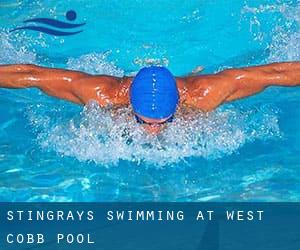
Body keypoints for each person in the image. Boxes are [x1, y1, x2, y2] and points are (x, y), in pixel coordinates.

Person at [0, 62, 299, 134]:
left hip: (191, 84)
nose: (153, 131)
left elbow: (273, 74)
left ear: (177, 107)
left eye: (163, 122)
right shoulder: (101, 93)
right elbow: (31, 75)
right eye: (142, 121)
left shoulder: (204, 94)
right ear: (130, 105)